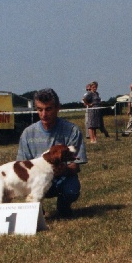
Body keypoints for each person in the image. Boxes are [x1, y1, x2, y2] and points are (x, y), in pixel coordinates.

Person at [17, 88, 87, 217]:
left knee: (72, 190)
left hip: (62, 179)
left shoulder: (72, 131)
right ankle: (37, 209)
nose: (44, 114)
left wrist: (64, 170)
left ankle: (64, 205)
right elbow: (21, 166)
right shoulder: (28, 134)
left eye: (48, 109)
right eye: (39, 109)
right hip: (36, 181)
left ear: (58, 108)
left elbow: (75, 165)